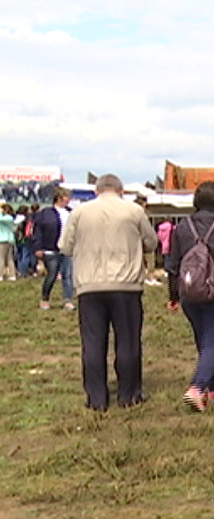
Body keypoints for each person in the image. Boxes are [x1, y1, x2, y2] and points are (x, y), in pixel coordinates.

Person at [61, 174, 156, 410]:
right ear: (121, 190)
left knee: (93, 342)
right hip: (126, 285)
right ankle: (129, 394)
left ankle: (96, 398)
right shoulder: (133, 211)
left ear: (97, 191)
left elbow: (65, 247)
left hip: (90, 285)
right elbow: (152, 242)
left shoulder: (80, 213)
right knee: (128, 341)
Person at [166, 181, 214, 412]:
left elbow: (173, 264)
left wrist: (173, 294)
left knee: (204, 341)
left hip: (189, 291)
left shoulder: (183, 227)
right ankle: (197, 388)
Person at [33, 187, 75, 310]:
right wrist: (38, 247)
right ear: (60, 198)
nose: (69, 200)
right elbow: (38, 231)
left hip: (67, 249)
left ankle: (68, 300)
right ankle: (45, 299)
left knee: (68, 275)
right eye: (67, 197)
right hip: (50, 248)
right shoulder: (45, 213)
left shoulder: (70, 213)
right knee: (52, 274)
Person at [0, 203, 16, 280]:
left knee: (1, 258)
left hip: (3, 239)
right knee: (9, 258)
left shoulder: (8, 218)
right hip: (9, 239)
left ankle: (1, 275)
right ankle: (12, 275)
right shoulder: (9, 218)